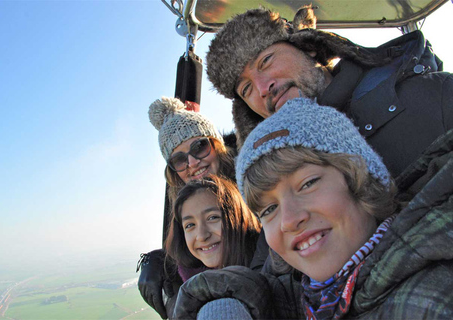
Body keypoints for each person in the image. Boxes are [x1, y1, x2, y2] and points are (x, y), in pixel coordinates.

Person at [172, 98, 453, 319]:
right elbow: (271, 292)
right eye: (269, 209)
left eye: (308, 184)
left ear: (361, 178)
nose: (290, 220)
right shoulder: (313, 294)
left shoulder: (429, 301)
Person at [206, 6, 453, 178]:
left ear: (308, 47)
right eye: (246, 88)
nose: (262, 88)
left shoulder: (435, 95)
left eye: (266, 61)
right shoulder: (276, 179)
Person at [138, 96, 238, 319]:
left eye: (199, 146)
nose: (193, 163)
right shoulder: (183, 208)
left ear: (217, 144)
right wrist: (160, 260)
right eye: (180, 160)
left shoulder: (253, 184)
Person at [163, 175, 261, 318]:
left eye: (212, 217)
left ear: (239, 218)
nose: (202, 235)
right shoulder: (183, 286)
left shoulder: (267, 266)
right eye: (190, 225)